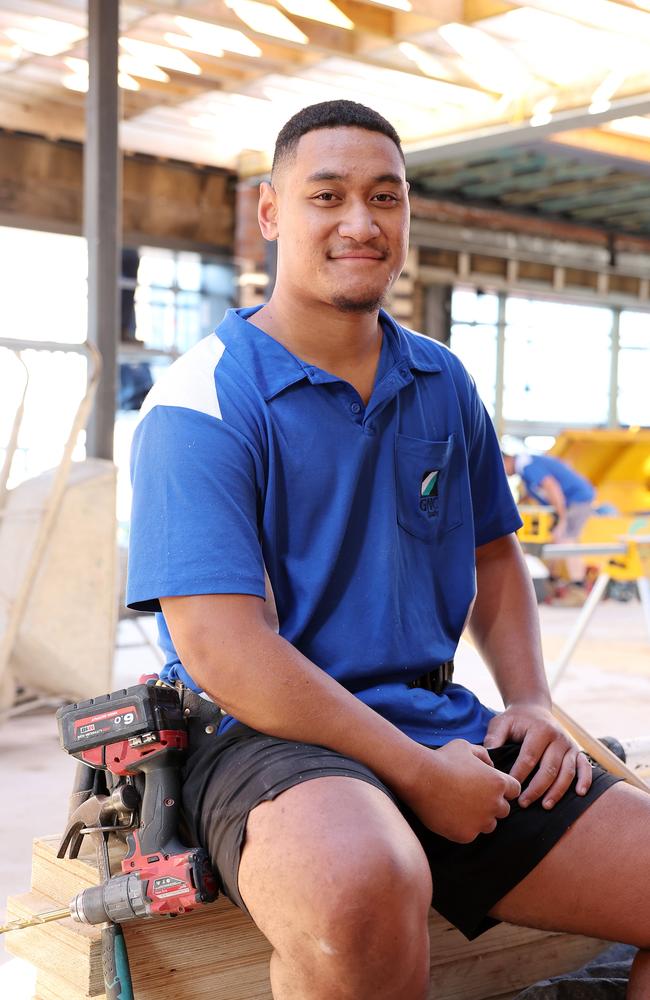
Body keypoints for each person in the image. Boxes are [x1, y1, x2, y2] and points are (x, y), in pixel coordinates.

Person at [127, 101, 650, 1000]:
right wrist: (415, 775)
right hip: (266, 741)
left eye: (386, 197)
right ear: (270, 213)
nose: (360, 222)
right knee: (361, 886)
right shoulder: (203, 402)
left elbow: (493, 556)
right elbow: (225, 649)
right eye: (326, 195)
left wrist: (530, 700)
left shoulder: (442, 382)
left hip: (436, 719)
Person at [502, 449, 595, 604]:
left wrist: (561, 518)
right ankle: (553, 584)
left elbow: (551, 487)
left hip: (575, 501)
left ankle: (578, 591)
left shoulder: (527, 465)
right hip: (570, 502)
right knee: (558, 541)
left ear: (507, 459)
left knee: (567, 540)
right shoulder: (525, 468)